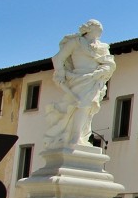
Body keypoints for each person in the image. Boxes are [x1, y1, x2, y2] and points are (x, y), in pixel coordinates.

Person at [45, 20, 116, 148]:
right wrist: (61, 74)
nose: (101, 31)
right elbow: (58, 58)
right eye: (98, 28)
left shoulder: (102, 47)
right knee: (79, 106)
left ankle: (79, 137)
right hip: (78, 79)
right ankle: (74, 137)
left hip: (94, 79)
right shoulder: (75, 43)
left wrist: (101, 71)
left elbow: (110, 64)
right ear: (89, 29)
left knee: (87, 108)